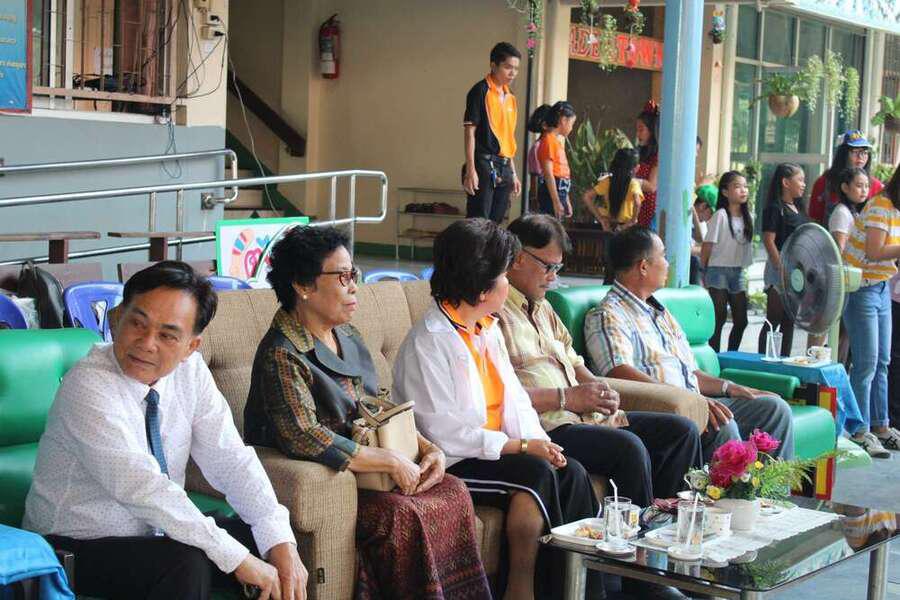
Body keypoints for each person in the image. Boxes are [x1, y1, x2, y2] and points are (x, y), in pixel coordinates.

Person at [24, 261, 307, 600]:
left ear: (191, 347)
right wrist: (236, 559)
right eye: (137, 323)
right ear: (117, 319)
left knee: (265, 542)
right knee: (186, 563)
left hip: (154, 534)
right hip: (71, 547)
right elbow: (141, 486)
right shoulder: (88, 385)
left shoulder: (191, 372)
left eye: (167, 335)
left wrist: (279, 540)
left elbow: (230, 458)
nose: (146, 343)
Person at [243, 226, 491, 599]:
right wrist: (390, 461)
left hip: (371, 472)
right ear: (303, 285)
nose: (354, 287)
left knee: (453, 489)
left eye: (354, 274)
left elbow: (377, 411)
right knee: (401, 515)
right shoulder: (283, 352)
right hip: (335, 481)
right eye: (342, 277)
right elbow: (304, 435)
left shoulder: (348, 336)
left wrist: (428, 449)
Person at [392, 219, 597, 600]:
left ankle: (581, 592)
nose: (507, 282)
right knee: (535, 473)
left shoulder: (484, 329)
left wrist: (540, 443)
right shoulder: (429, 342)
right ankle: (526, 591)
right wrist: (522, 448)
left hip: (492, 451)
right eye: (503, 274)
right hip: (455, 461)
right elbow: (443, 434)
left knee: (570, 472)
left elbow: (516, 402)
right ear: (481, 283)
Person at [499, 214, 702, 523]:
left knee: (680, 431)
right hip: (548, 425)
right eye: (548, 267)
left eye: (558, 269)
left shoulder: (543, 307)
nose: (553, 278)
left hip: (585, 417)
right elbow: (498, 393)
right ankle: (633, 544)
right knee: (628, 448)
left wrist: (599, 389)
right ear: (517, 258)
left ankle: (669, 530)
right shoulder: (495, 312)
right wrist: (568, 398)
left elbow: (574, 361)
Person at [583, 227, 795, 462]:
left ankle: (765, 486)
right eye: (663, 256)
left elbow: (690, 372)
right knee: (722, 424)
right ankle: (730, 487)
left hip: (694, 402)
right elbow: (619, 373)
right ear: (643, 267)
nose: (668, 263)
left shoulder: (660, 313)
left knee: (775, 409)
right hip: (662, 412)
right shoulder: (608, 315)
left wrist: (729, 387)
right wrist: (690, 403)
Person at [841, 167, 900, 456]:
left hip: (881, 287)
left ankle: (881, 426)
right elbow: (875, 251)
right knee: (866, 364)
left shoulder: (894, 209)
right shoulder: (880, 207)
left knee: (882, 362)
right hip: (861, 288)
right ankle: (859, 430)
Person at [462, 42, 522, 223]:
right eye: (508, 67)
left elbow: (507, 138)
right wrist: (470, 170)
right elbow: (469, 132)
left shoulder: (511, 97)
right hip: (483, 163)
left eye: (516, 69)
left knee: (496, 223)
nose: (513, 73)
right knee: (479, 222)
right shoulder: (480, 91)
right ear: (493, 65)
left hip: (504, 166)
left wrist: (514, 173)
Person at [758, 163, 809, 357]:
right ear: (786, 182)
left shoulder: (798, 208)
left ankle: (785, 359)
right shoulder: (775, 208)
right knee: (774, 318)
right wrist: (780, 267)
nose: (804, 184)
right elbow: (768, 240)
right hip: (779, 266)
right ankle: (763, 360)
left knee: (789, 319)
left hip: (796, 267)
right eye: (800, 180)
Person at [702, 171, 753, 352]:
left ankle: (731, 355)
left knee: (741, 320)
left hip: (737, 271)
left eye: (745, 186)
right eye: (737, 187)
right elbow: (707, 245)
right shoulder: (721, 215)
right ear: (725, 192)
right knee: (719, 318)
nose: (743, 190)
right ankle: (715, 357)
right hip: (718, 270)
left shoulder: (748, 216)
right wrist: (704, 271)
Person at [809, 130, 884, 225]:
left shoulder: (876, 186)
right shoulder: (824, 183)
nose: (860, 157)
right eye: (855, 152)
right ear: (842, 154)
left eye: (864, 152)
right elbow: (815, 220)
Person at [581, 147, 643, 232]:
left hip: (610, 225)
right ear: (636, 168)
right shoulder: (633, 183)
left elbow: (586, 197)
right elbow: (637, 203)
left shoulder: (607, 181)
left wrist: (601, 218)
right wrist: (633, 220)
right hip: (626, 227)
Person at [536, 101, 577, 219]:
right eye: (571, 124)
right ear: (563, 120)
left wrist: (566, 199)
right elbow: (549, 174)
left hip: (560, 190)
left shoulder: (555, 141)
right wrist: (556, 201)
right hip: (552, 192)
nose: (571, 128)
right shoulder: (548, 141)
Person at [829, 167, 871, 251]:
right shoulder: (841, 213)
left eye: (867, 186)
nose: (864, 190)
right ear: (845, 188)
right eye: (859, 186)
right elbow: (839, 251)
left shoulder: (853, 211)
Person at [634, 101, 660, 228]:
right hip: (639, 207)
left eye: (641, 130)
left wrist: (630, 181)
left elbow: (652, 186)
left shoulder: (658, 155)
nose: (637, 134)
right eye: (637, 130)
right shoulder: (640, 152)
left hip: (650, 211)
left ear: (652, 131)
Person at [690, 184, 717, 285]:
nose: (710, 218)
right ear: (703, 206)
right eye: (711, 213)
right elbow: (685, 250)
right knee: (695, 262)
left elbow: (700, 239)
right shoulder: (684, 217)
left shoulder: (699, 221)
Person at [526, 104, 551, 212]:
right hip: (541, 193)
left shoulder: (552, 145)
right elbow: (534, 177)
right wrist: (534, 199)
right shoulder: (537, 147)